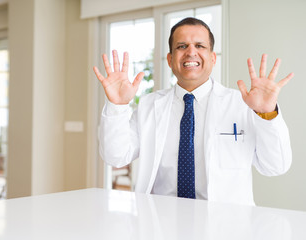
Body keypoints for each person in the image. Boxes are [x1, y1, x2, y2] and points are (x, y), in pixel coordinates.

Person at [93, 17, 293, 206]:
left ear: (213, 58)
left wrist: (267, 114)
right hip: (161, 219)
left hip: (226, 224)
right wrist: (117, 106)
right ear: (170, 60)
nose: (191, 52)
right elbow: (115, 156)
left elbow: (275, 166)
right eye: (182, 46)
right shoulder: (148, 105)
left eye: (200, 46)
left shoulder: (242, 104)